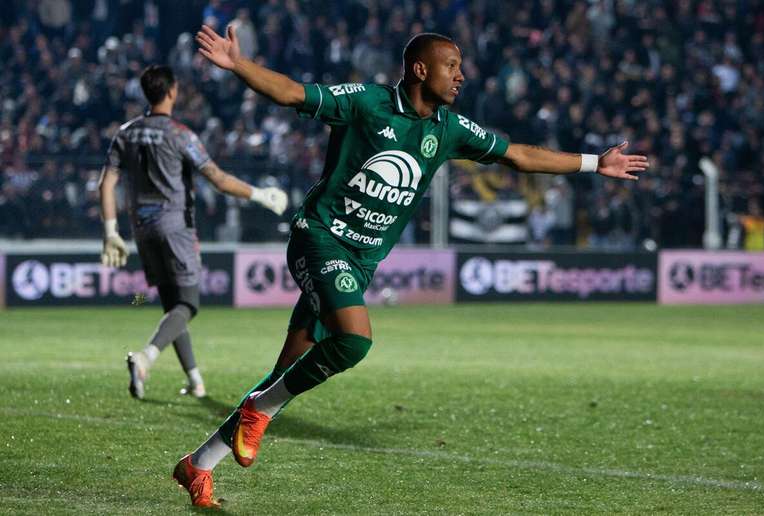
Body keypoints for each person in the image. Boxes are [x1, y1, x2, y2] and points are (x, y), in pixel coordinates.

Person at [172, 27, 649, 508]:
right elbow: (294, 93)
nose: (461, 76)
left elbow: (520, 155)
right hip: (317, 239)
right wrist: (240, 64)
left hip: (360, 263)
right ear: (420, 69)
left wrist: (595, 163)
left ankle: (199, 464)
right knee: (354, 340)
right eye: (452, 66)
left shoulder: (448, 128)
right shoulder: (366, 103)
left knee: (285, 373)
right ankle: (259, 411)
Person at [99, 64, 288, 401]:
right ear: (172, 92)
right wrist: (259, 194)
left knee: (173, 304)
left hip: (141, 228)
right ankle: (146, 358)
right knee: (189, 303)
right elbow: (217, 177)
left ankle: (195, 380)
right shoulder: (180, 133)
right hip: (175, 226)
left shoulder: (125, 132)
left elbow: (107, 182)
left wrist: (111, 231)